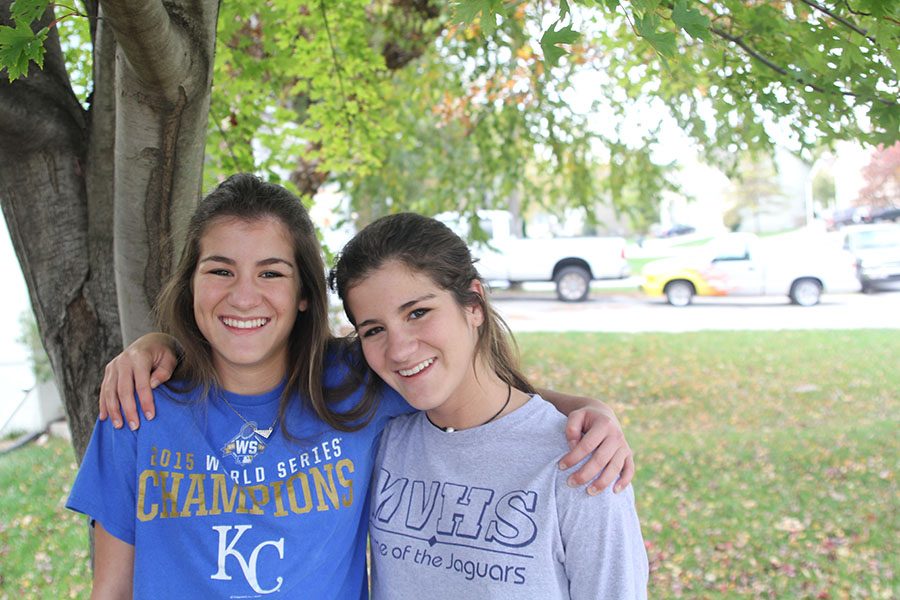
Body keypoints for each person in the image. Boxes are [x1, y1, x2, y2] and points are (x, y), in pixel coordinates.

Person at [73, 174, 634, 598]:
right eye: (219, 270)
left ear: (304, 294)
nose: (243, 296)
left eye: (271, 272)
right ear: (189, 284)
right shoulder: (137, 405)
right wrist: (154, 343)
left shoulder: (354, 384)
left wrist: (588, 409)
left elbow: (468, 384)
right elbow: (112, 591)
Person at [329, 213, 648, 598]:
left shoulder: (584, 461)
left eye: (418, 312)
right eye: (374, 330)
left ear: (474, 304)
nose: (398, 349)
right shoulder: (384, 438)